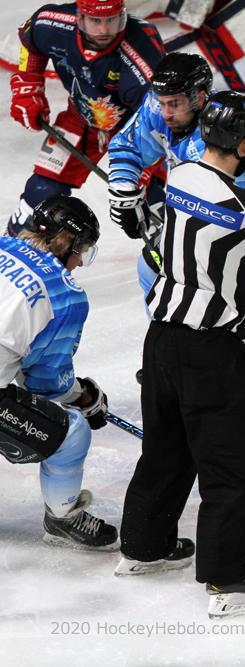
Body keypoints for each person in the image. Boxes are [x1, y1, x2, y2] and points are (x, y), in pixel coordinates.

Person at [116, 91, 245, 619]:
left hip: (160, 339)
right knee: (236, 461)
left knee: (167, 447)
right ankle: (227, 578)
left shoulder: (179, 176)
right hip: (210, 349)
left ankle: (145, 546)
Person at [106, 52, 245, 381]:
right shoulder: (162, 106)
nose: (165, 112)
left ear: (199, 97)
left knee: (216, 310)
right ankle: (168, 360)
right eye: (162, 102)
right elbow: (128, 146)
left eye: (174, 104)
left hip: (222, 231)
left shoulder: (223, 139)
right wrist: (125, 190)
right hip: (188, 211)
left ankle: (212, 379)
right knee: (152, 267)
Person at [0, 195, 115, 550]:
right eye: (81, 249)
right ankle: (62, 518)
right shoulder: (64, 293)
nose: (80, 261)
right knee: (72, 433)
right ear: (66, 241)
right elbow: (44, 383)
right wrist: (82, 397)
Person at [6, 0, 164, 234]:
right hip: (81, 116)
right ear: (79, 16)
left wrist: (144, 169)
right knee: (40, 191)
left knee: (153, 206)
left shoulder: (142, 56)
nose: (103, 30)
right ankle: (12, 254)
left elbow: (161, 118)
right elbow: (30, 41)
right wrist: (28, 86)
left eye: (111, 20)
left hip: (135, 131)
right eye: (95, 21)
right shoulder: (52, 22)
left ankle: (170, 256)